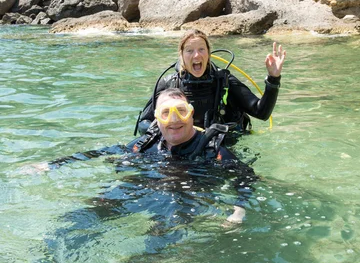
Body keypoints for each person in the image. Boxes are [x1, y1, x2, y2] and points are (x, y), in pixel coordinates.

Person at [26, 88, 247, 223]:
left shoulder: (213, 150)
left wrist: (239, 210)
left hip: (183, 201)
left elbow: (246, 178)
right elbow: (104, 152)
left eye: (180, 111)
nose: (174, 119)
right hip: (143, 189)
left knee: (159, 244)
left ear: (191, 114)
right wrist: (53, 164)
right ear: (156, 120)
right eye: (165, 113)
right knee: (84, 216)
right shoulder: (146, 144)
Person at [137, 29, 286, 136]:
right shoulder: (169, 84)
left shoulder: (224, 81)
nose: (196, 55)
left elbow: (262, 112)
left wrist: (273, 78)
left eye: (201, 49)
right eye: (189, 50)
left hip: (220, 150)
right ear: (181, 55)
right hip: (181, 149)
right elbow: (143, 122)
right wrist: (159, 129)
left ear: (208, 53)